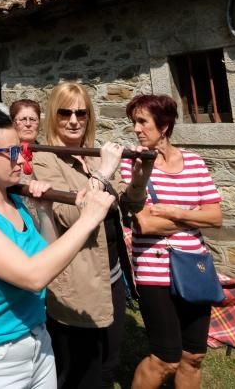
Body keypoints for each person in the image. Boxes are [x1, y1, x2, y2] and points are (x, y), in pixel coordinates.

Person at [0, 105, 118, 389]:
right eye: (12, 152)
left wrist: (44, 211)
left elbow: (45, 256)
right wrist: (88, 220)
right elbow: (32, 277)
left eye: (21, 151)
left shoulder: (14, 203)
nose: (20, 160)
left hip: (38, 342)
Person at [31, 82, 153, 389]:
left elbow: (128, 205)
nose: (73, 120)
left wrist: (139, 178)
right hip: (78, 282)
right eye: (65, 113)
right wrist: (104, 174)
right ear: (53, 117)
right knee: (80, 372)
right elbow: (71, 216)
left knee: (109, 362)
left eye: (81, 113)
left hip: (111, 276)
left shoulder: (95, 155)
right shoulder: (46, 158)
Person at [122, 95, 223, 389]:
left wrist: (175, 211)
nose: (137, 129)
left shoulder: (193, 162)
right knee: (165, 358)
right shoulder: (135, 164)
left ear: (164, 125)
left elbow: (216, 216)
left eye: (143, 121)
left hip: (195, 268)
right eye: (134, 122)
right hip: (156, 273)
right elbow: (146, 223)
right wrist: (194, 215)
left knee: (193, 356)